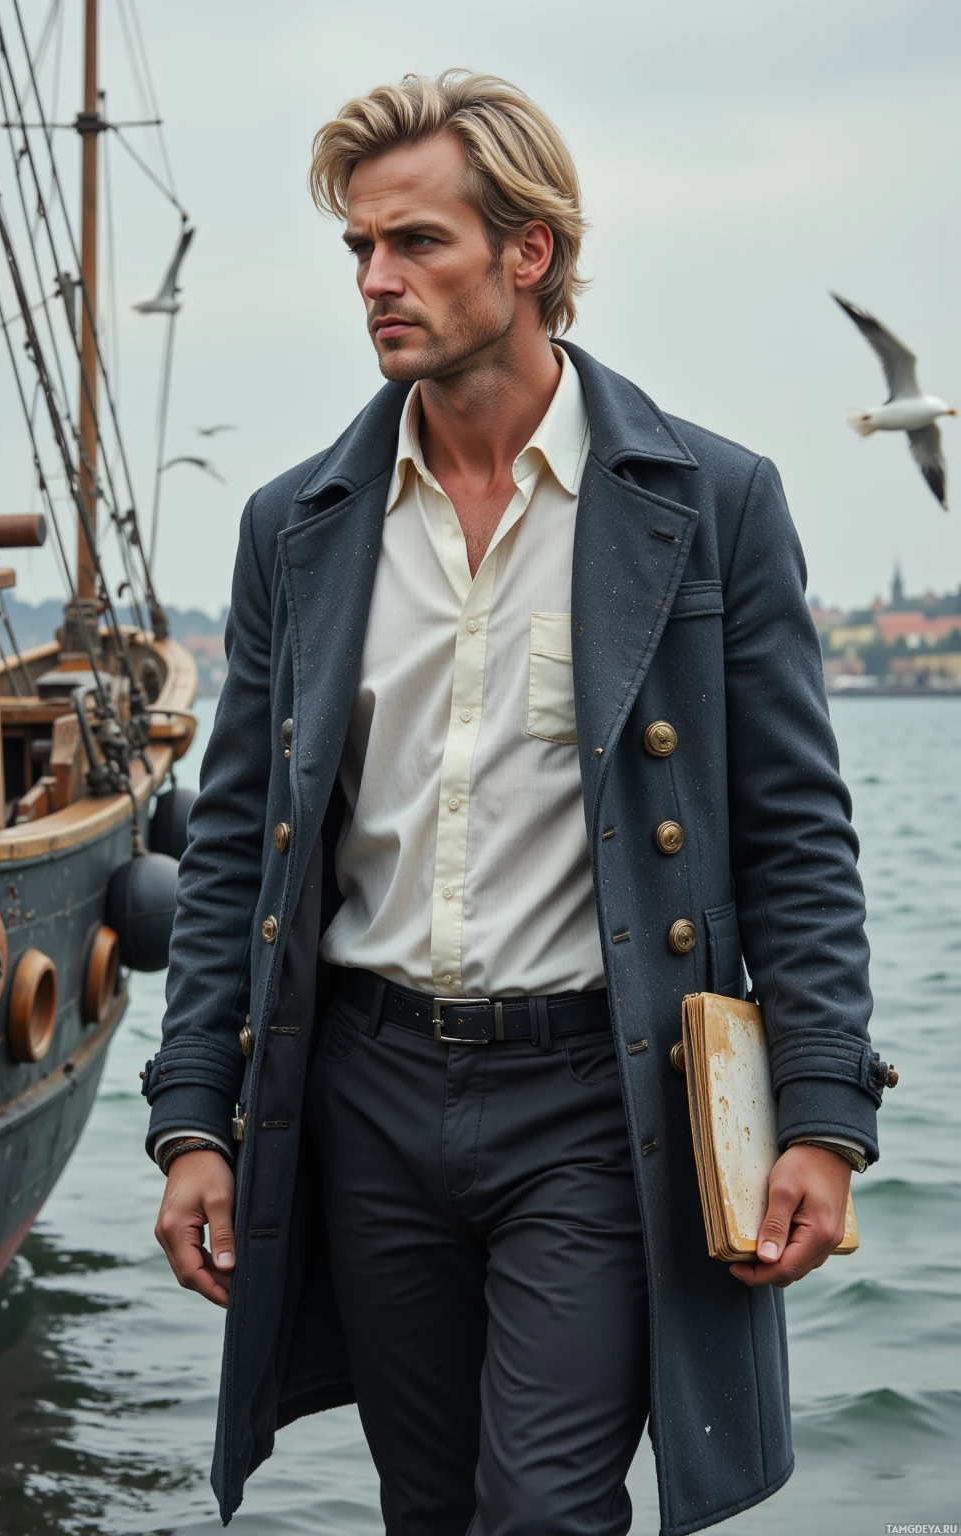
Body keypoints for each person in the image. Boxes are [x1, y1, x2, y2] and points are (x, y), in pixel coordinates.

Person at [143, 70, 890, 1536]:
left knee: (546, 1512)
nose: (375, 282)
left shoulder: (712, 504)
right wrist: (192, 1126)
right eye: (358, 249)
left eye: (416, 243)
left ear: (528, 253)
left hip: (595, 1100)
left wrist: (821, 1115)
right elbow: (235, 846)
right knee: (426, 1508)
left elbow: (799, 835)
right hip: (359, 1093)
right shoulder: (295, 526)